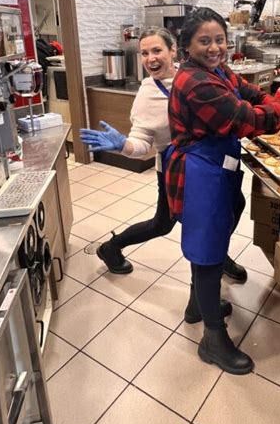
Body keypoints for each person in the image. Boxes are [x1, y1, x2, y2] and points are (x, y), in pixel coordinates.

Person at [165, 7, 280, 375]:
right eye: (204, 41)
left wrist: (278, 101)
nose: (215, 48)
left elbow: (249, 94)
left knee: (220, 231)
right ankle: (213, 339)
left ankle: (199, 305)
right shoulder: (196, 83)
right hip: (200, 174)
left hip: (219, 168)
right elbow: (244, 119)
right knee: (208, 252)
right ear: (186, 46)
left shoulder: (217, 72)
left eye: (219, 40)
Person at [79, 27, 247, 324]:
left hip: (215, 164)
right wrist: (123, 145)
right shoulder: (147, 95)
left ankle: (216, 259)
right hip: (178, 173)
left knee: (236, 206)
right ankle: (111, 248)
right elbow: (142, 142)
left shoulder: (193, 76)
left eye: (156, 50)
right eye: (144, 53)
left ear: (173, 51)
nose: (150, 58)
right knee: (165, 224)